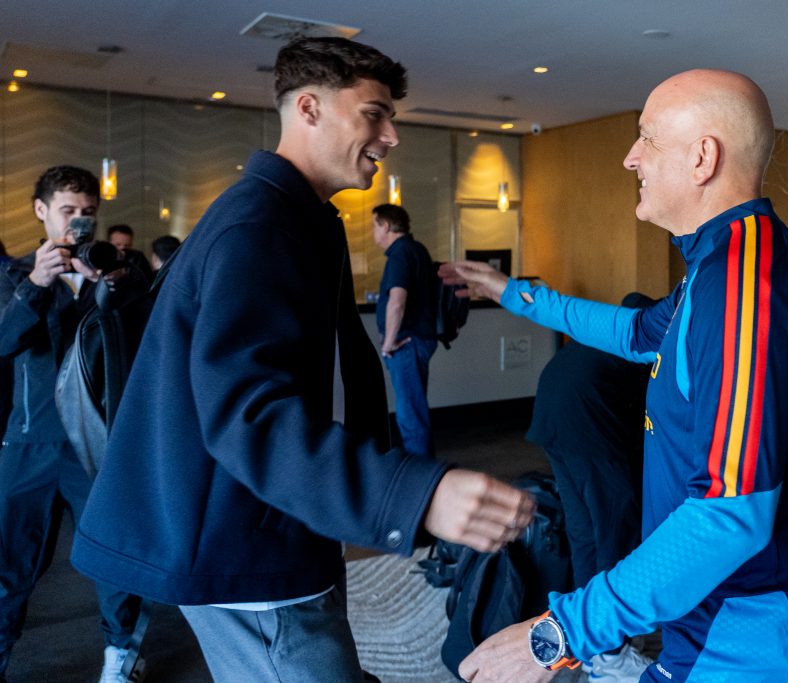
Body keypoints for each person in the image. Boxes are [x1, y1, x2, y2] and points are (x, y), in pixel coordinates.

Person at [71, 36, 534, 683]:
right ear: (309, 108)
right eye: (374, 113)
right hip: (246, 538)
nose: (391, 135)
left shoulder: (298, 218)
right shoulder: (258, 225)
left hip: (280, 516)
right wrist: (413, 495)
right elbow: (247, 414)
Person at [451, 69, 788, 682]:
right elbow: (634, 333)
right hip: (709, 625)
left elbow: (730, 514)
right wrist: (516, 296)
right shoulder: (718, 261)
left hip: (747, 642)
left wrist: (558, 634)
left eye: (648, 137)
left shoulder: (742, 285)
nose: (631, 157)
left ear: (702, 158)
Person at [0, 166, 144, 683]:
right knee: (9, 560)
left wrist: (117, 288)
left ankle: (121, 655)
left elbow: (146, 341)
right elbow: (4, 342)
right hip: (30, 438)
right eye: (68, 211)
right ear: (41, 211)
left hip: (97, 437)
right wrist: (38, 283)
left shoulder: (118, 272)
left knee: (112, 553)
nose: (79, 222)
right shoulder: (15, 274)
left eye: (88, 213)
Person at [526, 292, 655, 682]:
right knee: (616, 529)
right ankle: (612, 655)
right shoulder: (650, 345)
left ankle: (591, 646)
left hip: (550, 414)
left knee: (585, 534)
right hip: (586, 420)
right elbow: (649, 422)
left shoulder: (607, 329)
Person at [372, 203, 438, 457]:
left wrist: (388, 342)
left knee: (410, 415)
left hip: (406, 343)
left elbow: (397, 301)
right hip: (418, 340)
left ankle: (421, 473)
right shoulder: (416, 249)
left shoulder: (400, 254)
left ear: (386, 226)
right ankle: (424, 468)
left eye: (374, 226)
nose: (373, 233)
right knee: (413, 410)